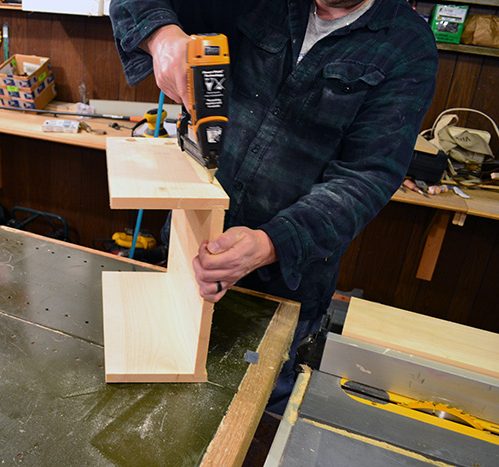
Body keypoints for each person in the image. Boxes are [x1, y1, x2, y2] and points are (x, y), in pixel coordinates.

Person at [109, 0, 438, 413]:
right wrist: (162, 39)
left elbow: (366, 177)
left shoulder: (407, 45)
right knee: (161, 394)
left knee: (254, 416)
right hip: (190, 249)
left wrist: (270, 243)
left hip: (287, 282)